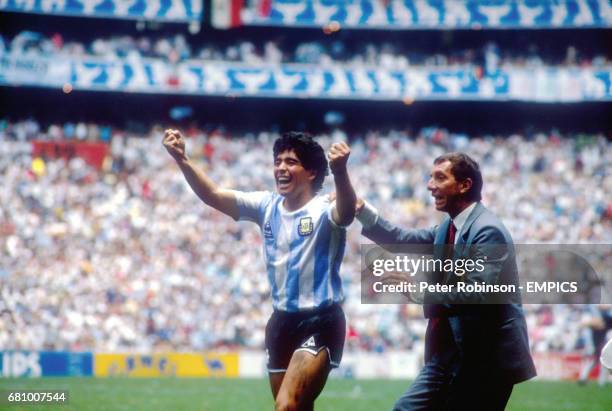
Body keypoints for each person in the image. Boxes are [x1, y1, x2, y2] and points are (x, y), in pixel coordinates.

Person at [163, 129, 356, 411]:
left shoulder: (324, 210)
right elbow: (214, 195)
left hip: (320, 320)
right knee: (298, 407)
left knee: (286, 405)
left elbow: (347, 212)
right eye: (278, 161)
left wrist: (340, 172)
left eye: (291, 162)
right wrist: (182, 159)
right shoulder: (266, 206)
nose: (281, 168)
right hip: (280, 323)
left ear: (312, 172)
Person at [356, 152, 536, 410]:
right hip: (451, 356)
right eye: (431, 177)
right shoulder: (447, 227)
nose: (430, 185)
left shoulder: (488, 230)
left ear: (465, 185)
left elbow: (476, 293)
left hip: (485, 360)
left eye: (440, 178)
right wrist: (362, 211)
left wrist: (420, 291)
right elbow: (402, 238)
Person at [578, 304, 612, 386]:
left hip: (600, 344)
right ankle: (600, 382)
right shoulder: (599, 320)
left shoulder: (606, 319)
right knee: (600, 363)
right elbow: (584, 324)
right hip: (598, 344)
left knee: (595, 362)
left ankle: (584, 378)